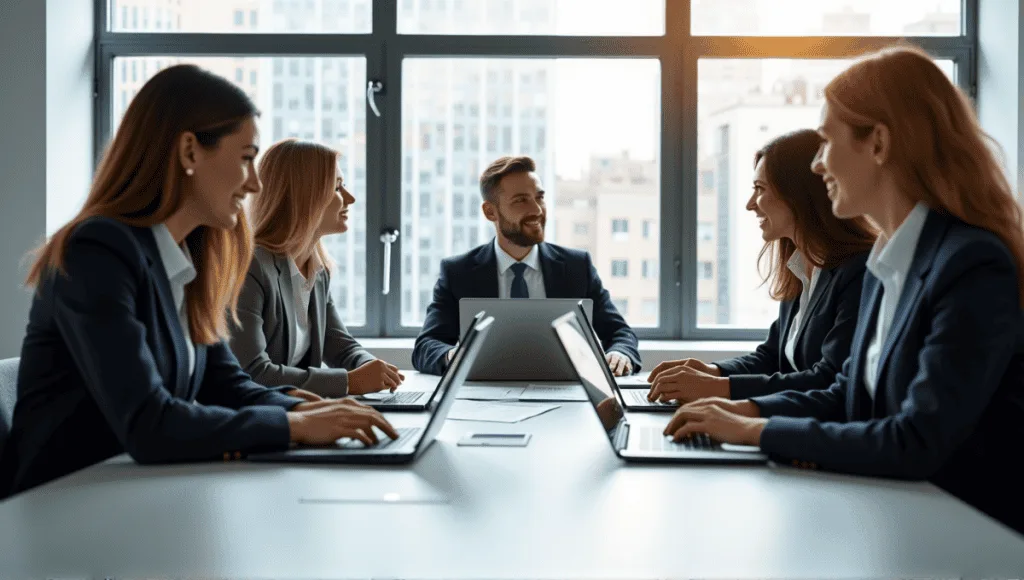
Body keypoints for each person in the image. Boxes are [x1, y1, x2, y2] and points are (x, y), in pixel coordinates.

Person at [661, 45, 1024, 534]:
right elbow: (843, 393)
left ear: (877, 143)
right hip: (895, 516)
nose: (817, 165)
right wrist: (737, 409)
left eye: (827, 143)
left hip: (968, 537)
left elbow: (917, 439)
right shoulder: (887, 264)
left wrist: (756, 429)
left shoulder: (970, 265)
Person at [0, 65, 397, 498]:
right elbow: (149, 423)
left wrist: (309, 407)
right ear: (189, 152)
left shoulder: (188, 256)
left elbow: (224, 384)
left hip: (132, 493)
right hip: (59, 509)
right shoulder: (98, 251)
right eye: (246, 157)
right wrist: (292, 424)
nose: (255, 183)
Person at [647, 130, 875, 403]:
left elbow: (827, 379)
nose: (750, 204)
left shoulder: (858, 272)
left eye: (760, 189)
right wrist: (711, 371)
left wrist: (716, 389)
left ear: (798, 194)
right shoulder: (801, 269)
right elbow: (771, 357)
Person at [412, 155, 641, 377]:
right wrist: (452, 355)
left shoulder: (576, 267)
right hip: (483, 399)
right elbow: (427, 345)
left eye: (539, 197)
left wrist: (620, 353)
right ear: (490, 211)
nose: (537, 210)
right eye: (521, 200)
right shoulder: (458, 272)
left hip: (565, 398)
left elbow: (620, 333)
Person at [228, 139, 404, 398]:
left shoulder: (317, 271)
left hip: (297, 415)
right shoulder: (251, 266)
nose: (350, 198)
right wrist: (350, 382)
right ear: (304, 196)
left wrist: (369, 366)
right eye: (338, 187)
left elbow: (340, 346)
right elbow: (252, 372)